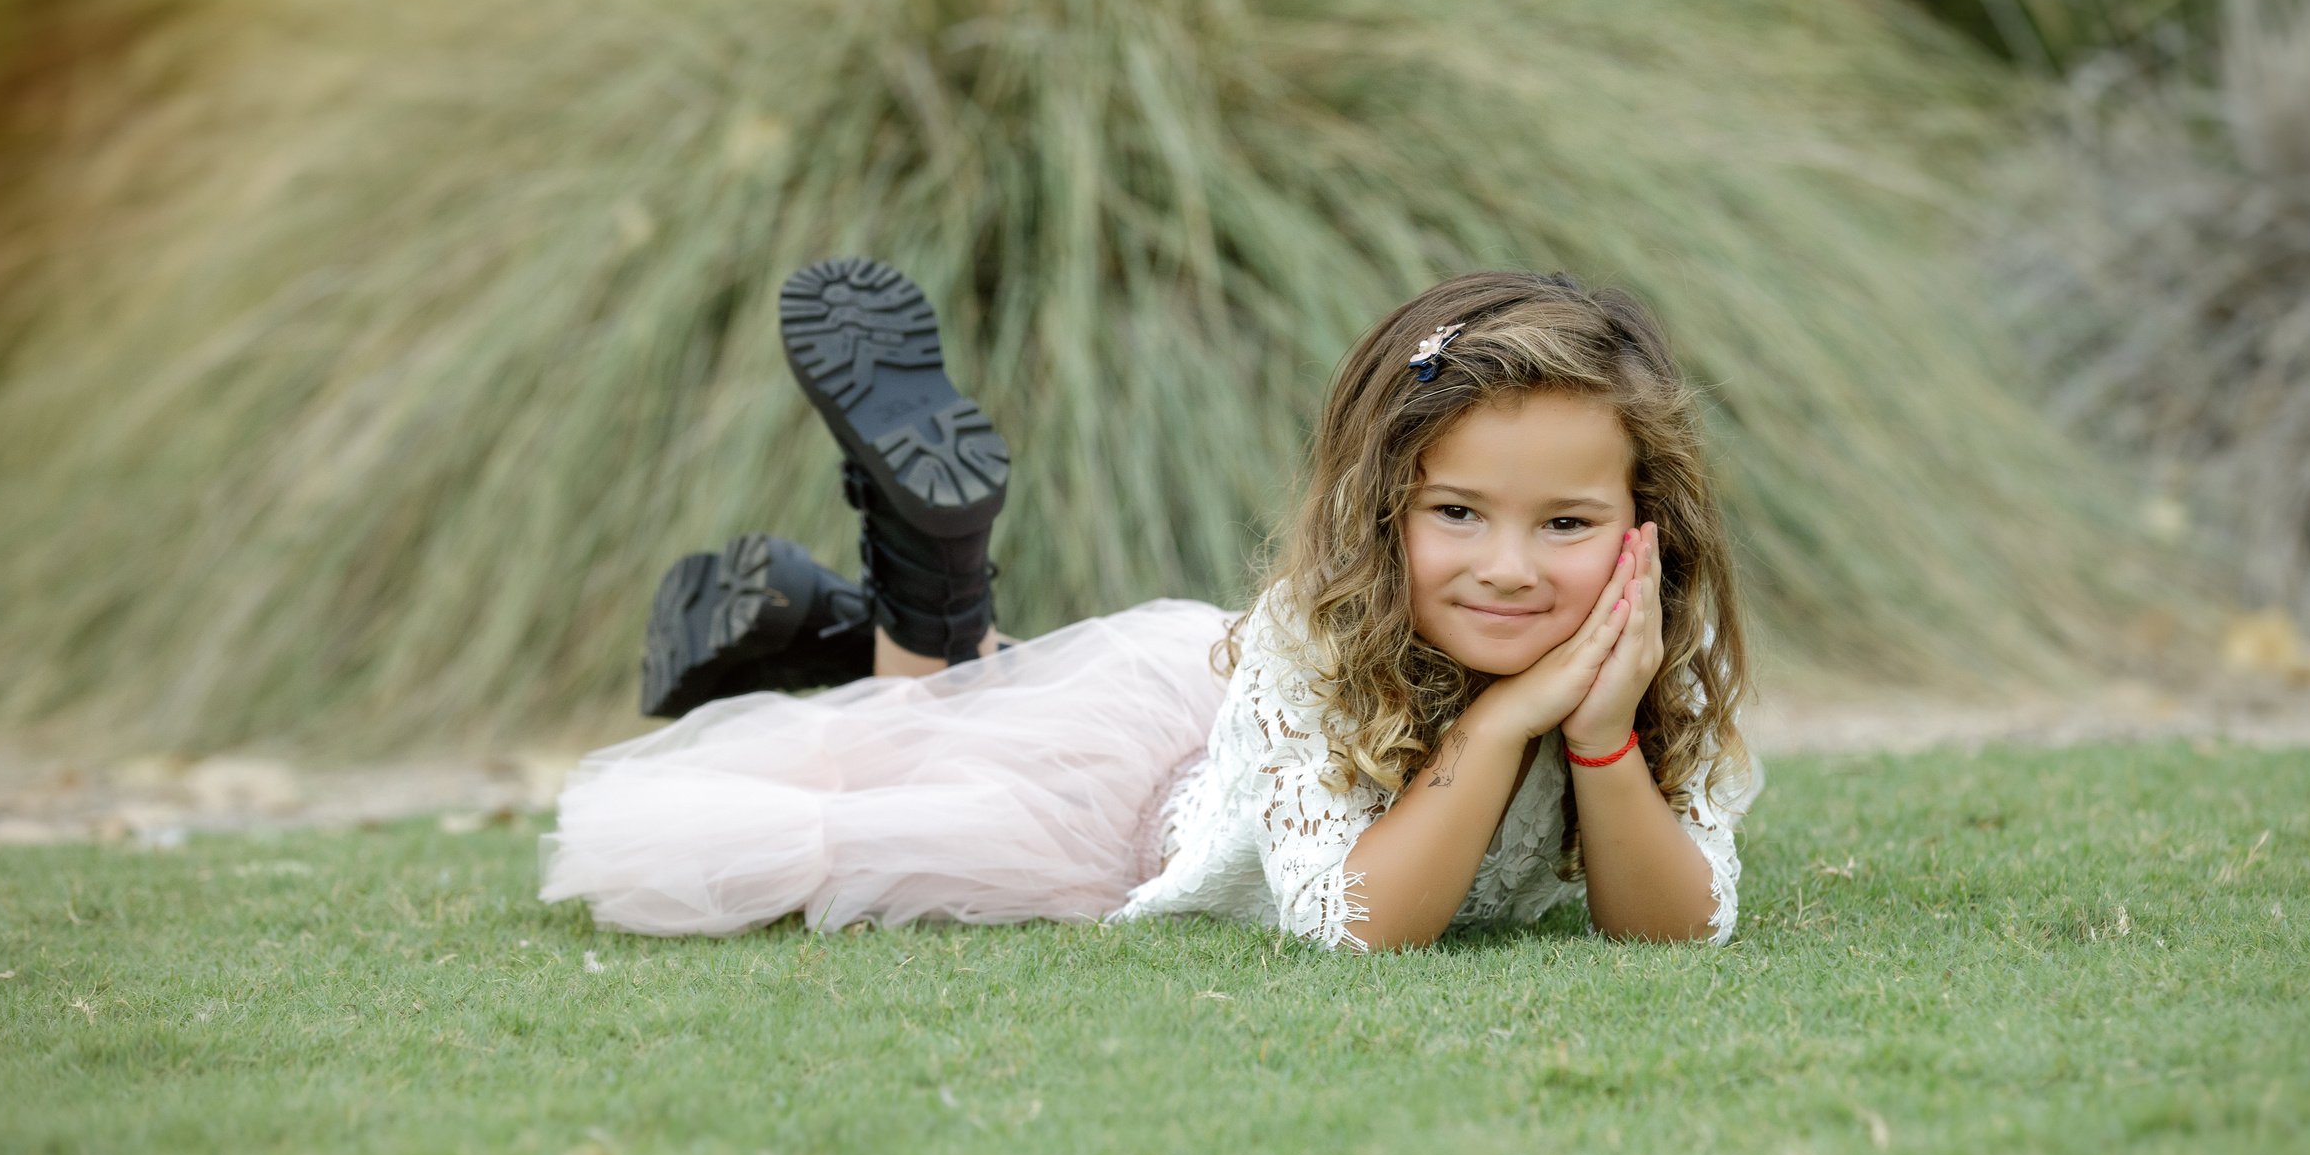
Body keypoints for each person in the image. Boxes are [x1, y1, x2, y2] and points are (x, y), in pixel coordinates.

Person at [540, 262, 1757, 950]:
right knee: (922, 745)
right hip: (1145, 799)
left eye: (1566, 524)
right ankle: (926, 583)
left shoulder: (1651, 644)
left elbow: (1672, 930)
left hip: (1190, 701)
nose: (1506, 567)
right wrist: (1498, 727)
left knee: (978, 700)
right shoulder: (1320, 637)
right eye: (1456, 514)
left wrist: (1599, 735)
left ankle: (839, 617)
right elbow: (1361, 923)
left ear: (1647, 526)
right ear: (1382, 511)